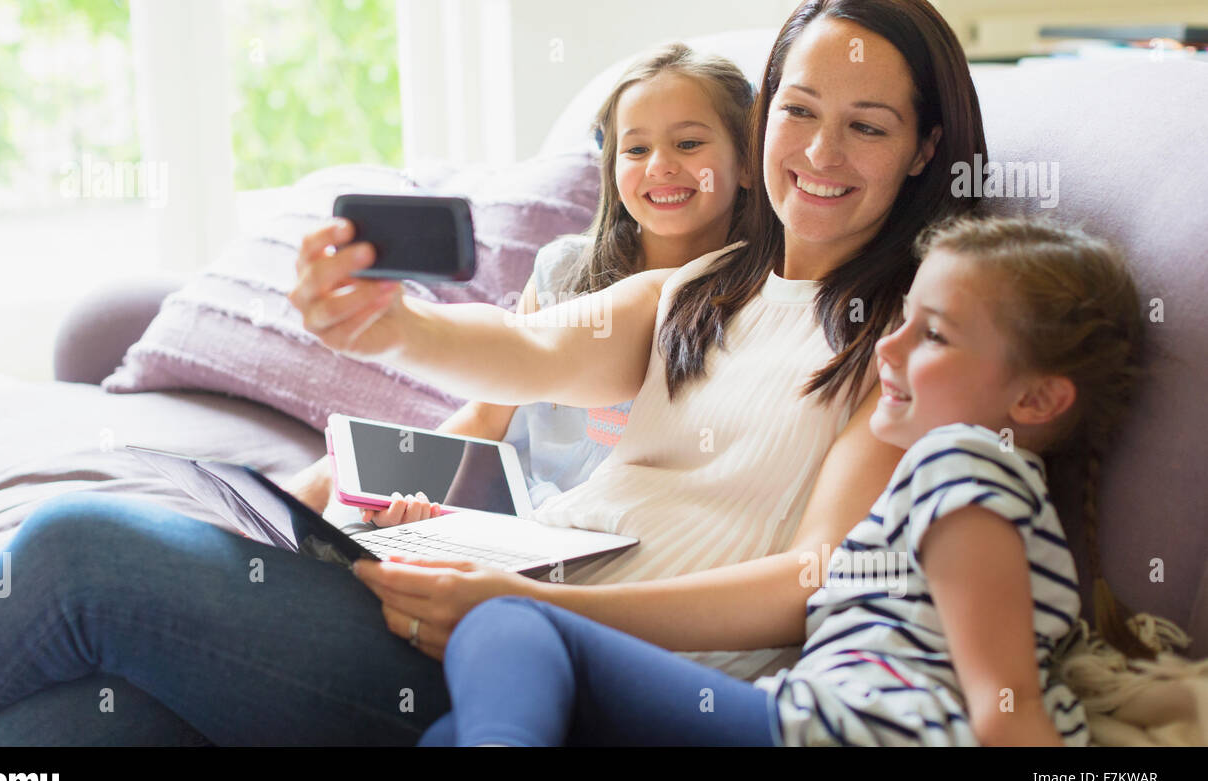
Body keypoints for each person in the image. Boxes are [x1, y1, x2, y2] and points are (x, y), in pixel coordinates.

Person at [0, 0, 985, 746]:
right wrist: (384, 322)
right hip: (481, 607)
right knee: (69, 728)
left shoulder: (908, 339)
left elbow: (807, 582)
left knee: (77, 549)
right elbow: (523, 350)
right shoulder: (696, 290)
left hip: (577, 669)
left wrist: (527, 608)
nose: (819, 154)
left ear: (926, 146)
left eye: (867, 126)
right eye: (797, 111)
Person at [417, 216, 1147, 746]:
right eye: (905, 317)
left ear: (1037, 401)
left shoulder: (964, 468)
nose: (887, 345)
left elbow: (1006, 713)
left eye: (933, 334)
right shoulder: (960, 485)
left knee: (516, 622)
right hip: (807, 715)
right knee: (467, 720)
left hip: (831, 728)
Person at [282, 42, 757, 525]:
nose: (659, 165)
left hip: (593, 534)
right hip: (506, 512)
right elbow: (489, 415)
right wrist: (398, 487)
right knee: (337, 514)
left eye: (689, 144)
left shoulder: (756, 302)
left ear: (745, 162)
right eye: (636, 149)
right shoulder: (564, 270)